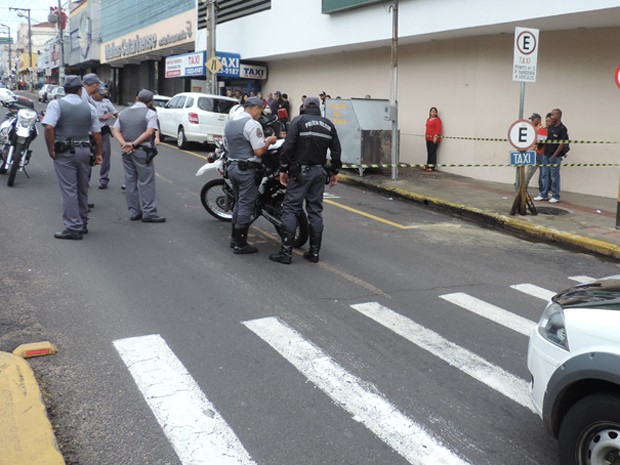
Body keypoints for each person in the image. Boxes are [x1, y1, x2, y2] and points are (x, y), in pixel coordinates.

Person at [269, 95, 342, 264]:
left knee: (290, 209)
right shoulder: (328, 124)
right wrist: (334, 172)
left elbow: (287, 146)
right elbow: (337, 151)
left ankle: (286, 253)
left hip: (300, 173)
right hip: (319, 173)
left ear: (304, 105)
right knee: (315, 211)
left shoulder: (298, 121)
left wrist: (283, 169)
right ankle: (314, 253)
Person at [42, 75, 102, 240]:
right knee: (82, 188)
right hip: (84, 150)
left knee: (69, 189)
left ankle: (72, 227)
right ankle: (82, 222)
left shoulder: (56, 104)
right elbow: (97, 134)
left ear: (64, 89)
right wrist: (98, 153)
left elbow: (48, 127)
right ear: (79, 89)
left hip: (65, 152)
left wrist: (51, 148)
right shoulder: (89, 107)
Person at [224, 96, 278, 254]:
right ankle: (240, 244)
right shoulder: (252, 124)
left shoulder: (231, 122)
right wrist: (269, 141)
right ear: (255, 108)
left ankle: (234, 239)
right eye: (260, 111)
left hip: (232, 167)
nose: (260, 115)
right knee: (246, 205)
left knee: (239, 203)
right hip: (247, 170)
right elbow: (259, 151)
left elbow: (226, 145)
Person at [113, 89, 166, 223]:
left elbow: (116, 130)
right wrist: (134, 144)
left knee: (130, 181)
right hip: (142, 151)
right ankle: (149, 212)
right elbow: (149, 132)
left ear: (137, 98)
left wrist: (125, 144)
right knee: (146, 181)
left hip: (126, 151)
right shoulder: (150, 113)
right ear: (150, 102)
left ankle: (134, 212)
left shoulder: (123, 112)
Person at [535, 108, 568, 204]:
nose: (551, 116)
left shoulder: (562, 128)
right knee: (544, 175)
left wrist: (555, 155)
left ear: (558, 116)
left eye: (553, 115)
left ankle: (555, 196)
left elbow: (563, 143)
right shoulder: (550, 127)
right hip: (546, 154)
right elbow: (544, 140)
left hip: (555, 156)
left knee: (554, 177)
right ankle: (543, 194)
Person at [91, 86, 118, 189]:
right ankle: (85, 179)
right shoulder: (88, 102)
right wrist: (101, 117)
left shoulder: (106, 102)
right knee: (88, 155)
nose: (102, 96)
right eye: (100, 94)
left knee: (105, 155)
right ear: (94, 93)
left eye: (103, 94)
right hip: (91, 132)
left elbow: (116, 114)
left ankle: (104, 179)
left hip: (103, 131)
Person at [524, 113, 548, 193]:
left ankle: (524, 187)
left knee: (539, 172)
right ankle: (524, 187)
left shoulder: (541, 129)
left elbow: (540, 143)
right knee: (532, 171)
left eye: (532, 119)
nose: (531, 121)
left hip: (538, 152)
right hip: (534, 152)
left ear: (538, 120)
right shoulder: (533, 128)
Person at [424, 107, 442, 171]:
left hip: (433, 139)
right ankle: (428, 165)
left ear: (436, 113)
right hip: (428, 138)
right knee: (429, 152)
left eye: (434, 111)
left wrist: (435, 136)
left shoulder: (437, 120)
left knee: (433, 152)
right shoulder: (428, 119)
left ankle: (431, 167)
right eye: (431, 111)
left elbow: (438, 129)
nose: (433, 112)